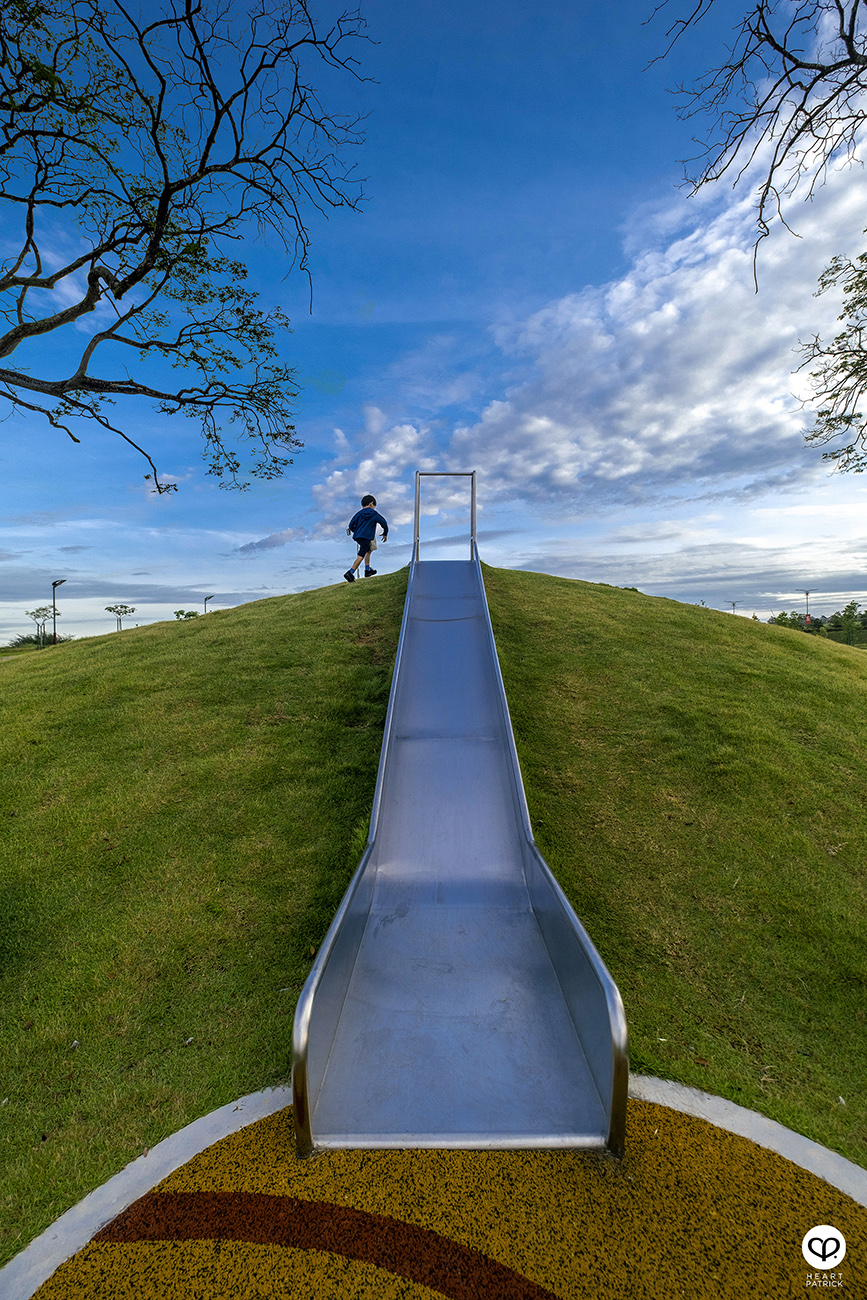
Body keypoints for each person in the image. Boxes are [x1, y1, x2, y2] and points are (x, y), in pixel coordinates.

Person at [344, 494, 388, 582]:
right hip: (367, 537)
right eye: (374, 505)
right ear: (371, 503)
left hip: (358, 537)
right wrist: (385, 533)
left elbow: (351, 525)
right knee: (361, 555)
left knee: (368, 550)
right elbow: (384, 523)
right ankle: (350, 572)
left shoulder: (359, 513)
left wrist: (356, 531)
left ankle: (367, 570)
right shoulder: (374, 514)